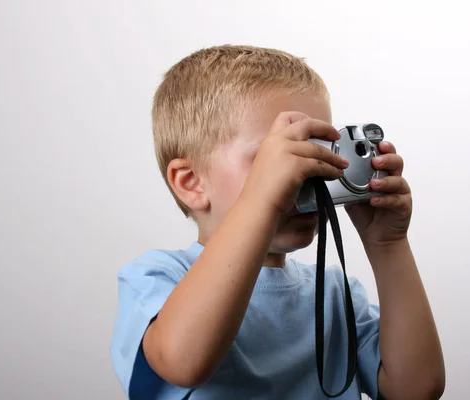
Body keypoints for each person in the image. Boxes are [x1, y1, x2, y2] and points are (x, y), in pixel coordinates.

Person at [110, 45, 445, 399]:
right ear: (191, 182)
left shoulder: (334, 293)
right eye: (275, 157)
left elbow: (416, 390)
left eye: (318, 153)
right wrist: (262, 200)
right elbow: (182, 363)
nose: (306, 174)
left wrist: (387, 244)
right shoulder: (159, 278)